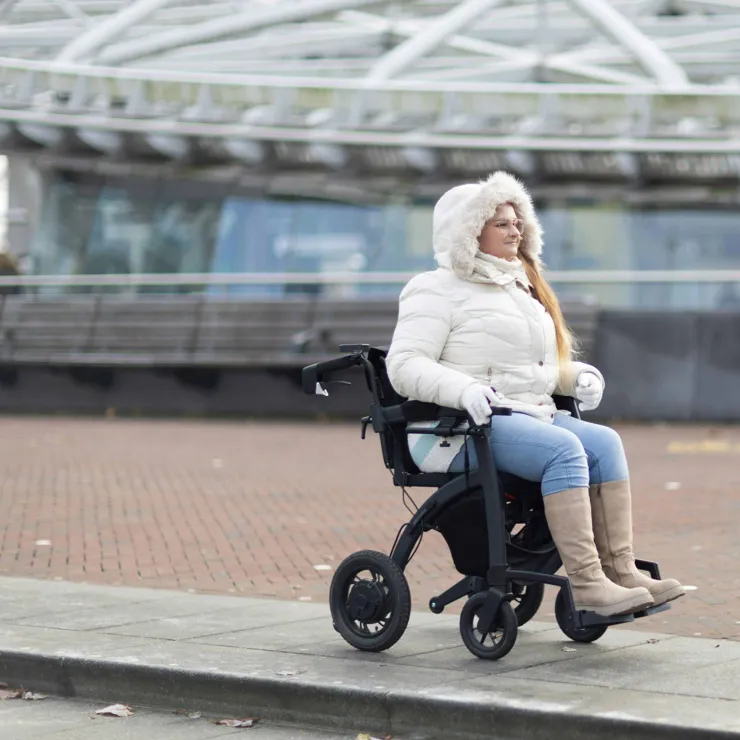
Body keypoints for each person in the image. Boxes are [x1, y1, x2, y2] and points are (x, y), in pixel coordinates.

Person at [386, 171, 684, 617]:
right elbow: (404, 366)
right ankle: (587, 585)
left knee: (605, 443)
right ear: (469, 232)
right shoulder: (433, 289)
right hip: (454, 429)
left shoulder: (519, 287)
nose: (515, 229)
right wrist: (464, 389)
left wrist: (573, 376)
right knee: (564, 450)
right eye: (501, 223)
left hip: (522, 414)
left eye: (517, 221)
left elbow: (526, 370)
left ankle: (620, 571)